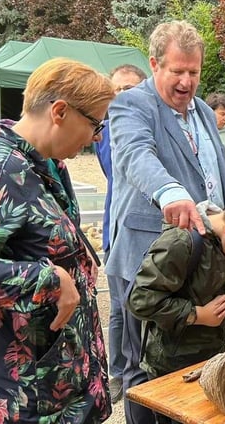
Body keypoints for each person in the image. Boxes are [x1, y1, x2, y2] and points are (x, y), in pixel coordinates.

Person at [0, 58, 113, 423]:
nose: (97, 136)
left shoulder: (45, 163)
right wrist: (49, 281)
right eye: (96, 123)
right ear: (60, 111)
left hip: (52, 379)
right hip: (22, 393)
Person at [108, 20, 225, 424]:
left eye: (193, 72)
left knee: (187, 364)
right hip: (148, 262)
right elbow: (136, 155)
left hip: (197, 263)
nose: (186, 81)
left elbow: (217, 176)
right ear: (154, 64)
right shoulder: (131, 105)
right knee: (142, 370)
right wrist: (170, 192)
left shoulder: (201, 111)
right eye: (176, 71)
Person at [127, 195, 225, 422]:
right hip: (170, 361)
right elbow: (140, 300)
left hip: (211, 354)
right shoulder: (181, 242)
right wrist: (197, 314)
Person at [94, 63, 146, 403]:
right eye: (117, 91)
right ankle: (118, 373)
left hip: (140, 234)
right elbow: (119, 170)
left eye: (130, 89)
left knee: (133, 310)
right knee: (118, 310)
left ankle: (132, 374)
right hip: (118, 232)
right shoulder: (108, 131)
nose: (122, 96)